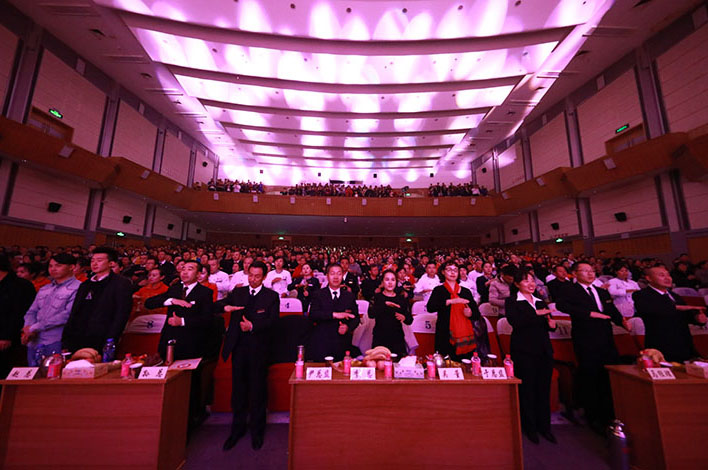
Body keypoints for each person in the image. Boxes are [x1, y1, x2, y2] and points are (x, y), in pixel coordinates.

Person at [557, 262, 628, 434]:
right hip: (586, 337)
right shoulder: (570, 290)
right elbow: (562, 306)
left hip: (606, 337)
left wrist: (622, 321)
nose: (590, 274)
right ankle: (592, 415)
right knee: (590, 373)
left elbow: (611, 310)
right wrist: (588, 314)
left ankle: (610, 414)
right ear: (575, 274)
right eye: (585, 271)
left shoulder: (601, 291)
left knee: (608, 374)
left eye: (592, 271)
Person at [218, 261, 279, 451]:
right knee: (238, 390)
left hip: (259, 349)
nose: (253, 279)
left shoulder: (271, 296)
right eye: (250, 275)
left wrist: (252, 326)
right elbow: (218, 305)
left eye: (257, 276)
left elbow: (273, 322)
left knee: (258, 390)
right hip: (239, 347)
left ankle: (257, 431)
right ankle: (237, 429)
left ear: (264, 277)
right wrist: (225, 308)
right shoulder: (238, 293)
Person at [505, 268, 557, 444]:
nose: (531, 284)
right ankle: (530, 427)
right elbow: (516, 322)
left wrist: (552, 325)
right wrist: (536, 314)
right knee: (527, 389)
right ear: (517, 283)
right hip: (524, 350)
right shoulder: (512, 301)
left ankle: (545, 427)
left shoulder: (540, 301)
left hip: (544, 350)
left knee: (543, 389)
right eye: (526, 280)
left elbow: (547, 323)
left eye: (532, 280)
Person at [61, 247, 133, 353]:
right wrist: (66, 338)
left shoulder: (121, 283)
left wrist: (111, 339)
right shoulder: (85, 285)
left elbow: (121, 314)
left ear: (111, 263)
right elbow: (75, 312)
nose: (94, 264)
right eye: (92, 261)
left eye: (99, 260)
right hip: (78, 336)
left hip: (102, 338)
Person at [632, 266, 707, 362]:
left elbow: (687, 315)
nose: (667, 278)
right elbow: (653, 311)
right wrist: (678, 308)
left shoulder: (675, 296)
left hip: (684, 346)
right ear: (649, 278)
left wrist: (697, 318)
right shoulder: (641, 295)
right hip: (660, 347)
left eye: (668, 275)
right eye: (662, 275)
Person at [21, 254, 81, 365]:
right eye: (50, 266)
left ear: (72, 267)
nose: (53, 269)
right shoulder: (45, 288)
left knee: (53, 372)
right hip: (34, 340)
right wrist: (28, 328)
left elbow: (66, 315)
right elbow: (32, 311)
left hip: (56, 340)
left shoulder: (79, 288)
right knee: (33, 372)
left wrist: (34, 328)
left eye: (58, 265)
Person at [426, 261, 480, 361]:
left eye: (455, 270)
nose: (452, 272)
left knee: (465, 364)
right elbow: (430, 308)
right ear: (443, 272)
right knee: (445, 363)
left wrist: (470, 313)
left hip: (464, 334)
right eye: (449, 269)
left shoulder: (466, 291)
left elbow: (477, 314)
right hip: (444, 333)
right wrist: (449, 301)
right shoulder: (439, 290)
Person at [308, 263, 360, 362]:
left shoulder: (349, 296)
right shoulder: (318, 294)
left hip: (342, 343)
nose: (336, 277)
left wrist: (348, 327)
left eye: (339, 274)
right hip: (322, 342)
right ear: (327, 276)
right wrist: (334, 315)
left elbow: (356, 318)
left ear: (342, 276)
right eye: (332, 273)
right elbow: (313, 315)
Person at [0, 254, 36, 379]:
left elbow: (19, 313)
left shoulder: (21, 285)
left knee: (6, 372)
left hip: (11, 338)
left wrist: (6, 336)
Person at [370, 270, 413, 357]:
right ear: (382, 282)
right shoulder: (377, 297)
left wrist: (404, 317)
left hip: (397, 338)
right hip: (380, 338)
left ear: (396, 282)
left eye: (393, 280)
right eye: (387, 280)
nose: (390, 283)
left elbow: (410, 320)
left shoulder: (401, 298)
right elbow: (371, 314)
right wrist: (384, 304)